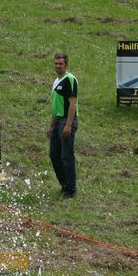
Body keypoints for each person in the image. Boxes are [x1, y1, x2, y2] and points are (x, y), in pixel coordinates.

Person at [47, 53, 78, 197]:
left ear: (66, 65)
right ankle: (64, 184)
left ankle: (70, 189)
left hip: (67, 120)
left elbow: (72, 103)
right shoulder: (56, 81)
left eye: (61, 63)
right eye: (56, 63)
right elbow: (55, 107)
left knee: (66, 156)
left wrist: (68, 125)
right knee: (54, 154)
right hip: (58, 120)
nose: (58, 66)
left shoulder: (69, 79)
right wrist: (51, 126)